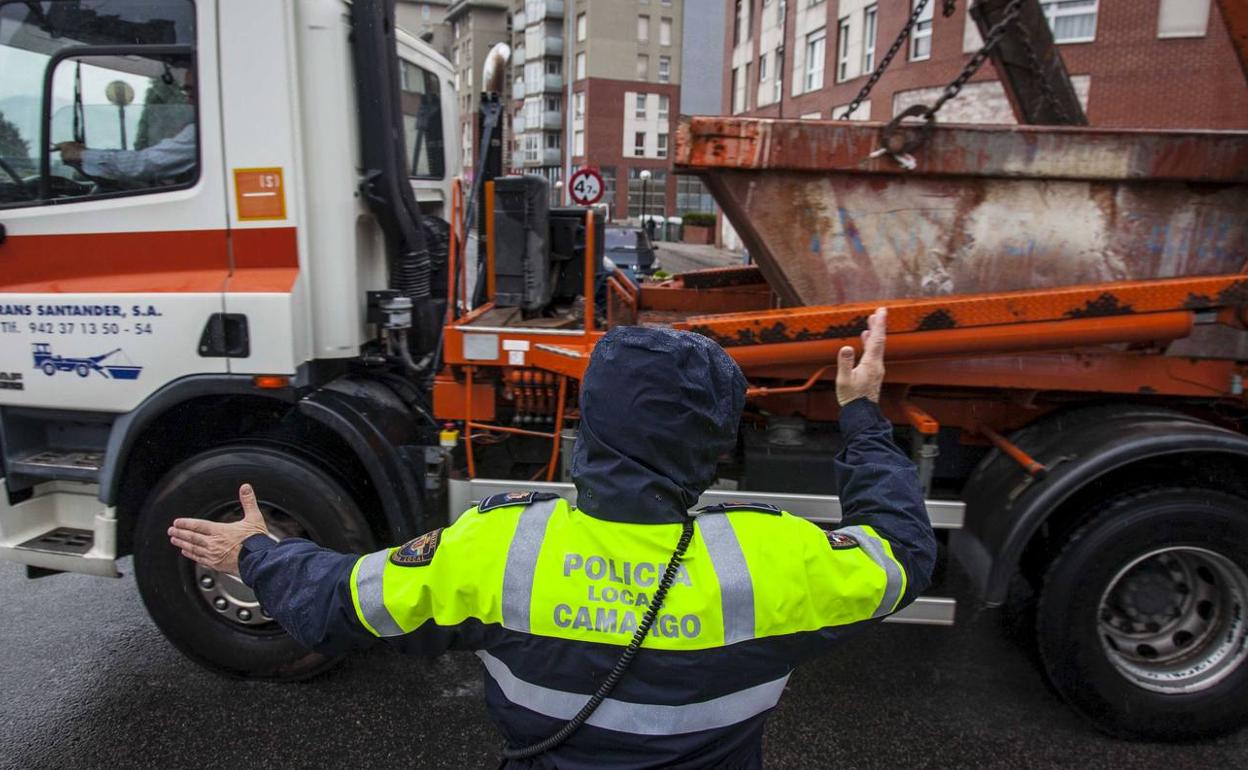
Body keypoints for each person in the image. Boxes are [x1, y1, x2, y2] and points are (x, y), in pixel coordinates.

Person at [168, 307, 935, 769]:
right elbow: (901, 553)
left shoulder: (498, 550)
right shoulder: (775, 563)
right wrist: (861, 417)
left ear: (587, 427)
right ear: (713, 448)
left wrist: (255, 552)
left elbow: (337, 602)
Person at [54, 71, 196, 187]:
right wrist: (85, 154)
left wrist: (81, 155)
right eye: (187, 93)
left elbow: (145, 164)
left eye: (192, 92)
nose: (188, 101)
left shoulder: (201, 133)